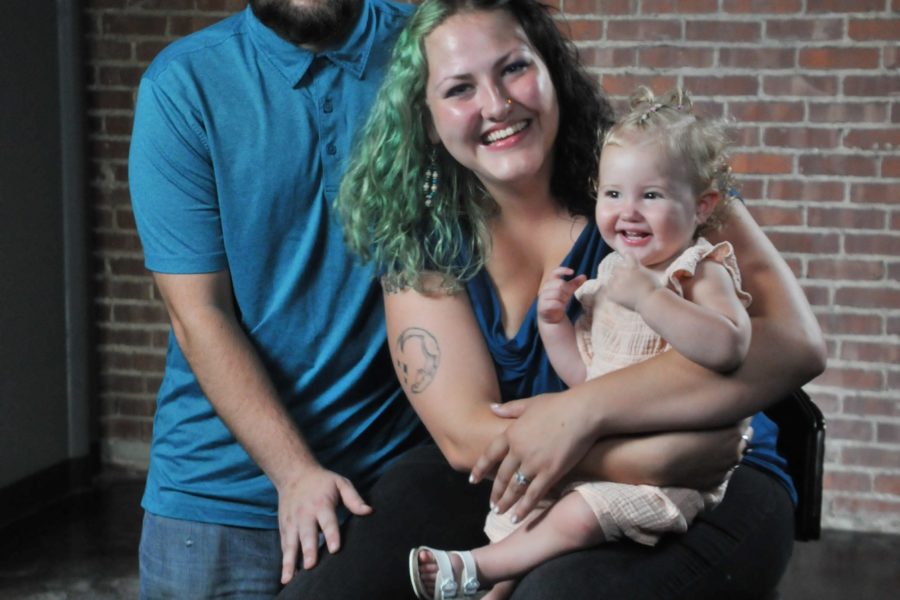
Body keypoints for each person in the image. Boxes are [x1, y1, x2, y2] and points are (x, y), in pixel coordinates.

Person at [279, 1, 825, 598]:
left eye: (513, 69)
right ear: (427, 118)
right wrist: (648, 456)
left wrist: (583, 411)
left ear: (551, 70)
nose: (496, 105)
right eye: (460, 88)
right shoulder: (425, 236)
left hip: (718, 474)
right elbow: (466, 437)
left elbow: (797, 344)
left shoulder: (654, 173)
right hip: (569, 468)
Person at [127, 1, 429, 597]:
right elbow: (198, 314)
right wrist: (294, 472)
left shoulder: (429, 47)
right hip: (219, 491)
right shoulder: (183, 84)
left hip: (394, 475)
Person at [408, 85, 757, 600]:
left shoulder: (697, 270)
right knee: (524, 504)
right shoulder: (615, 270)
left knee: (572, 515)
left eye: (652, 195)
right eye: (613, 194)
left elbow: (730, 346)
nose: (629, 212)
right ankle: (495, 586)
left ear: (702, 204)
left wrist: (653, 301)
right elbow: (586, 377)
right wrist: (554, 325)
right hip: (615, 449)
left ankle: (476, 567)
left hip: (672, 470)